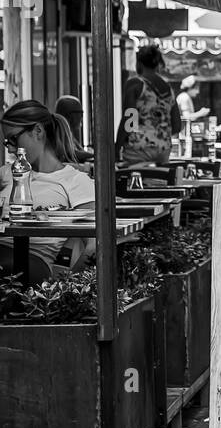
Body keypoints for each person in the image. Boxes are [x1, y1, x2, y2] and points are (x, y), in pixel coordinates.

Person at [0, 101, 96, 281]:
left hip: (29, 263)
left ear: (37, 131)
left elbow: (94, 245)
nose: (11, 149)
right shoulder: (6, 173)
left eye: (14, 139)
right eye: (7, 143)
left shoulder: (75, 182)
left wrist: (64, 290)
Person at [116, 44, 181, 166]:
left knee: (133, 181)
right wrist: (158, 136)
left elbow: (129, 121)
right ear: (157, 64)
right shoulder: (168, 88)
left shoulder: (135, 84)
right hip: (163, 149)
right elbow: (177, 126)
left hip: (138, 148)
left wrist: (116, 148)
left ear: (139, 63)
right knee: (158, 182)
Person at [54, 95, 90, 164]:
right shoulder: (59, 131)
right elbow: (70, 153)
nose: (82, 117)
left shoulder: (69, 132)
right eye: (80, 113)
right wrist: (96, 154)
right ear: (70, 115)